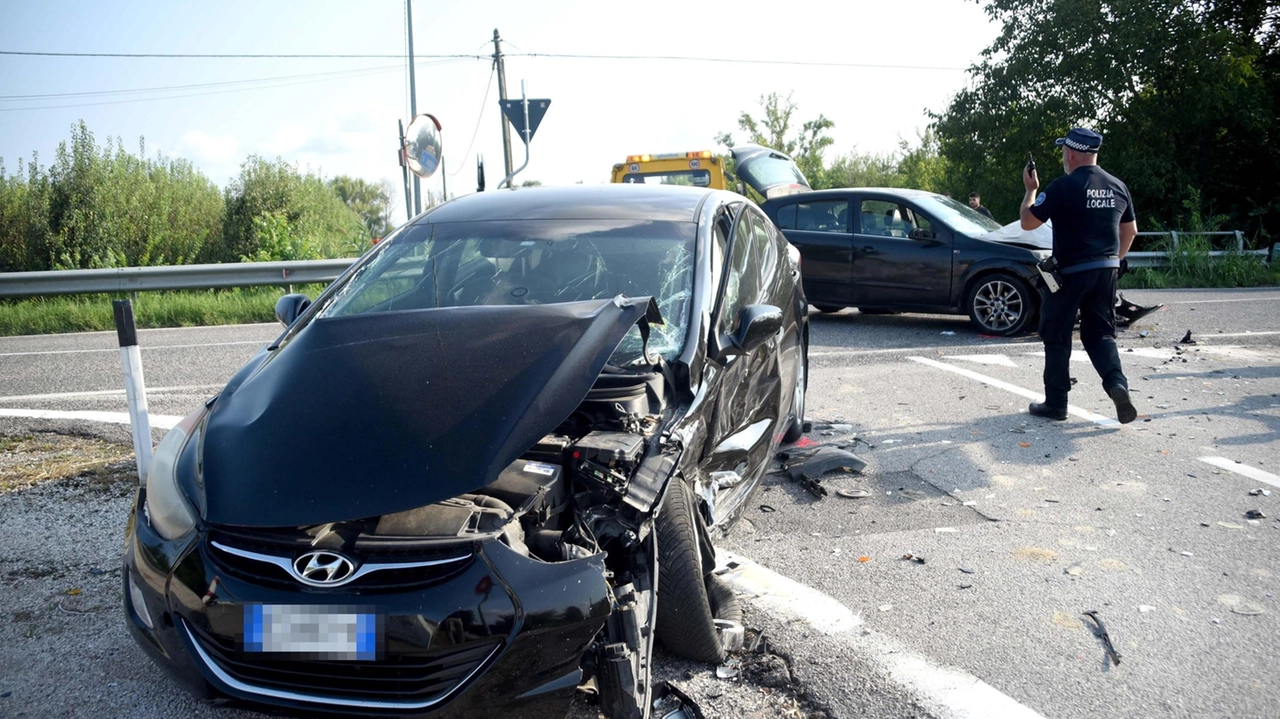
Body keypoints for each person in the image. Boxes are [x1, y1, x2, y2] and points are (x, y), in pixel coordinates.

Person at [1020, 127, 1138, 424]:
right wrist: (1113, 261)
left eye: (1063, 152)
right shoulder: (1117, 186)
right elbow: (1130, 231)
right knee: (1100, 334)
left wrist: (1030, 190)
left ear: (1070, 154)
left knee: (1057, 333)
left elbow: (1027, 223)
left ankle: (1056, 404)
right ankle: (1117, 384)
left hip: (1070, 274)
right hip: (1107, 271)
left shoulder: (1063, 186)